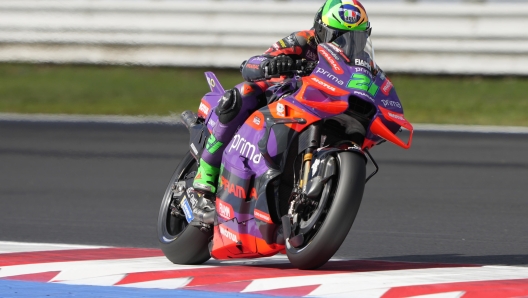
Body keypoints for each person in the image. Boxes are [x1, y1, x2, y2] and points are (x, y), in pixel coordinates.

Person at [192, 0, 372, 196]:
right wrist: (271, 65)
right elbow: (252, 64)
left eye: (356, 38)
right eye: (337, 37)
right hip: (283, 94)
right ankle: (206, 170)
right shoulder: (303, 40)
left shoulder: (362, 63)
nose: (344, 45)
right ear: (320, 30)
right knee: (244, 93)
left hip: (324, 106)